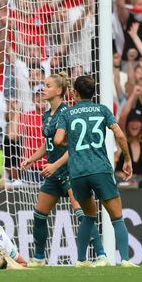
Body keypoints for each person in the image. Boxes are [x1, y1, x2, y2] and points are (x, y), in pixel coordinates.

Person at [21, 73, 107, 267]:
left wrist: (55, 165)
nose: (43, 88)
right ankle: (39, 258)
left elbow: (73, 146)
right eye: (44, 85)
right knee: (39, 214)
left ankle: (101, 254)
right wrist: (31, 159)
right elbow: (48, 144)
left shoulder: (68, 113)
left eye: (48, 85)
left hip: (70, 171)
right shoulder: (46, 114)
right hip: (53, 174)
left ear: (59, 91)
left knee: (84, 214)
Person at [54, 75, 137, 267]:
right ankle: (124, 259)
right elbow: (120, 135)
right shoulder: (102, 110)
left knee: (89, 215)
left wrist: (71, 142)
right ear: (93, 92)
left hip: (78, 172)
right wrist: (127, 159)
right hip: (100, 169)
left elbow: (58, 141)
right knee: (116, 217)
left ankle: (81, 260)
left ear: (75, 93)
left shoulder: (67, 113)